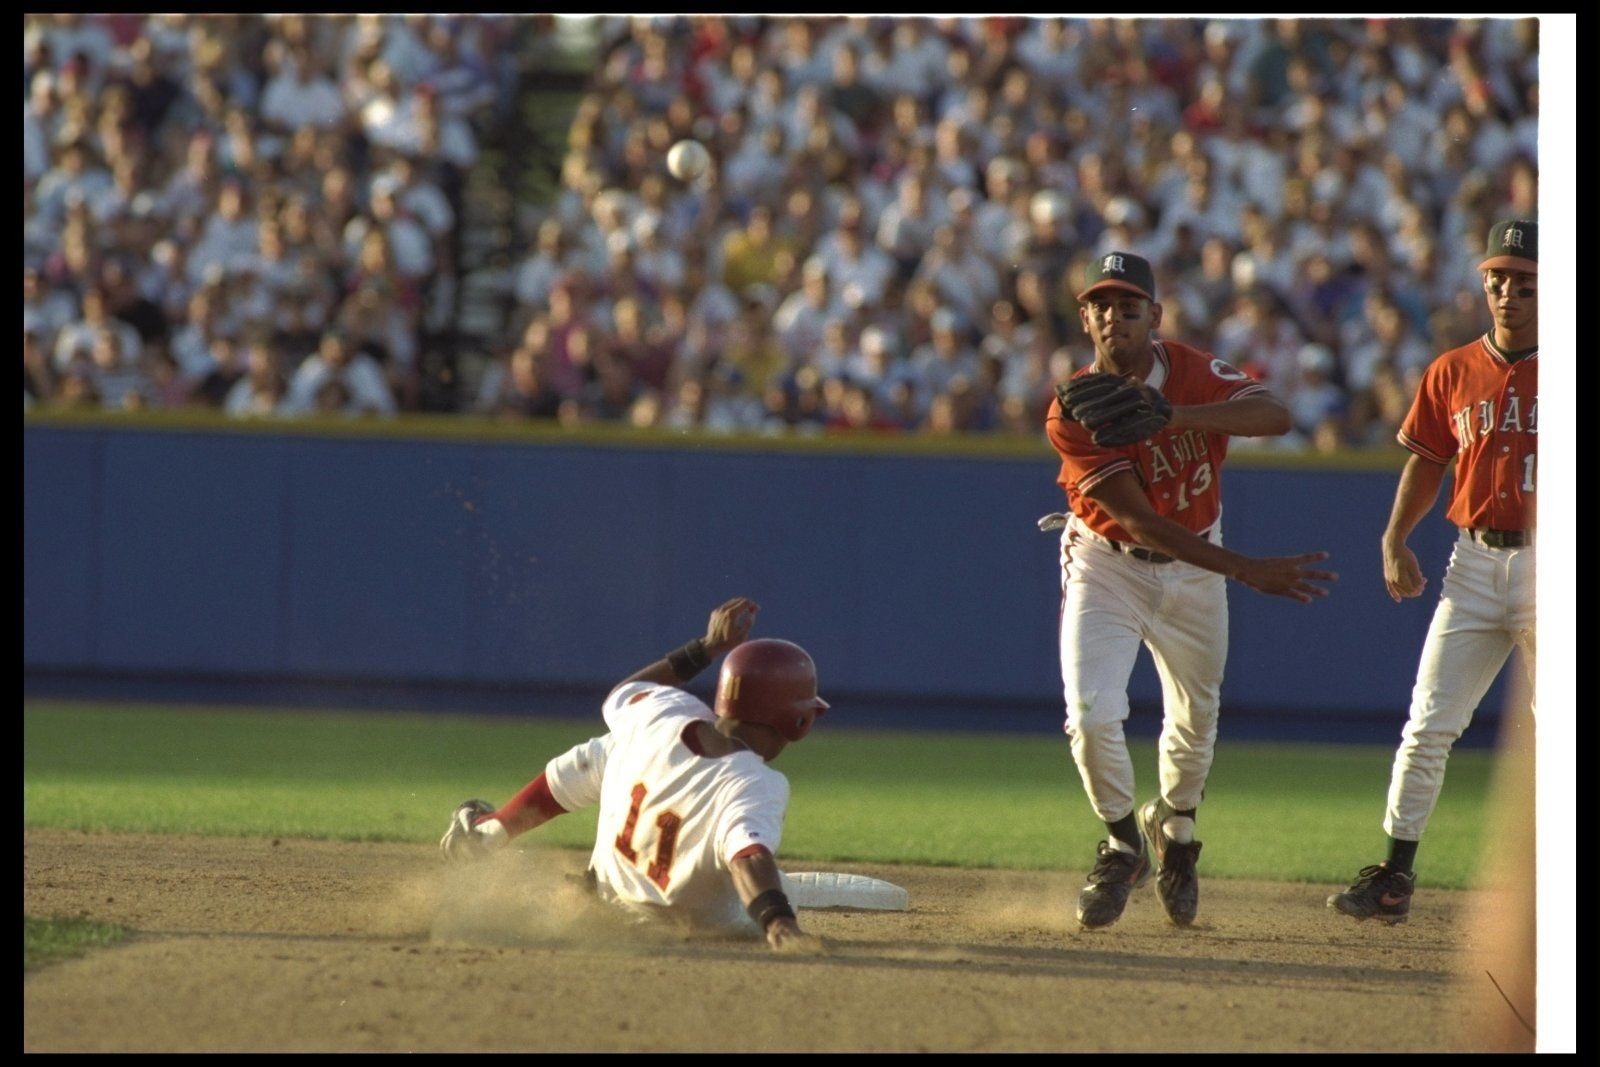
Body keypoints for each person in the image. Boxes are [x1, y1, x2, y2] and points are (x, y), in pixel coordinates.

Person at [1043, 251, 1337, 929]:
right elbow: (1141, 520)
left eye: (1128, 305)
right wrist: (1246, 568)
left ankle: (1174, 831)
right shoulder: (1073, 410)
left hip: (1197, 560)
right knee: (1090, 713)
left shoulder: (1190, 369)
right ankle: (1121, 843)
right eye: (1101, 306)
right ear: (1086, 317)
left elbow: (1276, 413)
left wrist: (1171, 414)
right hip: (1107, 562)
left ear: (1155, 316)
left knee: (1196, 717)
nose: (1113, 317)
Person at [1328, 220, 1538, 925]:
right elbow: (1426, 459)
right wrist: (1395, 536)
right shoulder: (1453, 369)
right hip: (1473, 561)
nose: (1507, 292)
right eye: (1497, 279)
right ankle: (1393, 874)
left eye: (1524, 281)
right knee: (1427, 723)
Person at [440, 597, 827, 952]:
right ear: (797, 722)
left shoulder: (662, 712)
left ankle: (492, 829)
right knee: (775, 886)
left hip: (604, 902)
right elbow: (749, 857)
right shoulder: (756, 782)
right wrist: (778, 923)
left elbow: (629, 690)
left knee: (610, 748)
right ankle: (495, 830)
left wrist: (706, 647)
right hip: (693, 925)